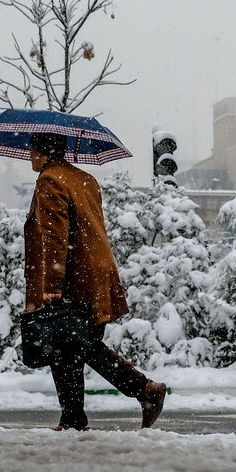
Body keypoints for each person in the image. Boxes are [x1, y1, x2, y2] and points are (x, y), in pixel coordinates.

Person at [24, 131, 167, 431]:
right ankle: (74, 419)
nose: (30, 156)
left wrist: (51, 287)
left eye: (32, 150)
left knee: (79, 346)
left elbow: (55, 239)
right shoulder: (84, 179)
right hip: (96, 277)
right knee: (70, 349)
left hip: (72, 280)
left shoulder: (50, 180)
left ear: (45, 152)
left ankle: (145, 390)